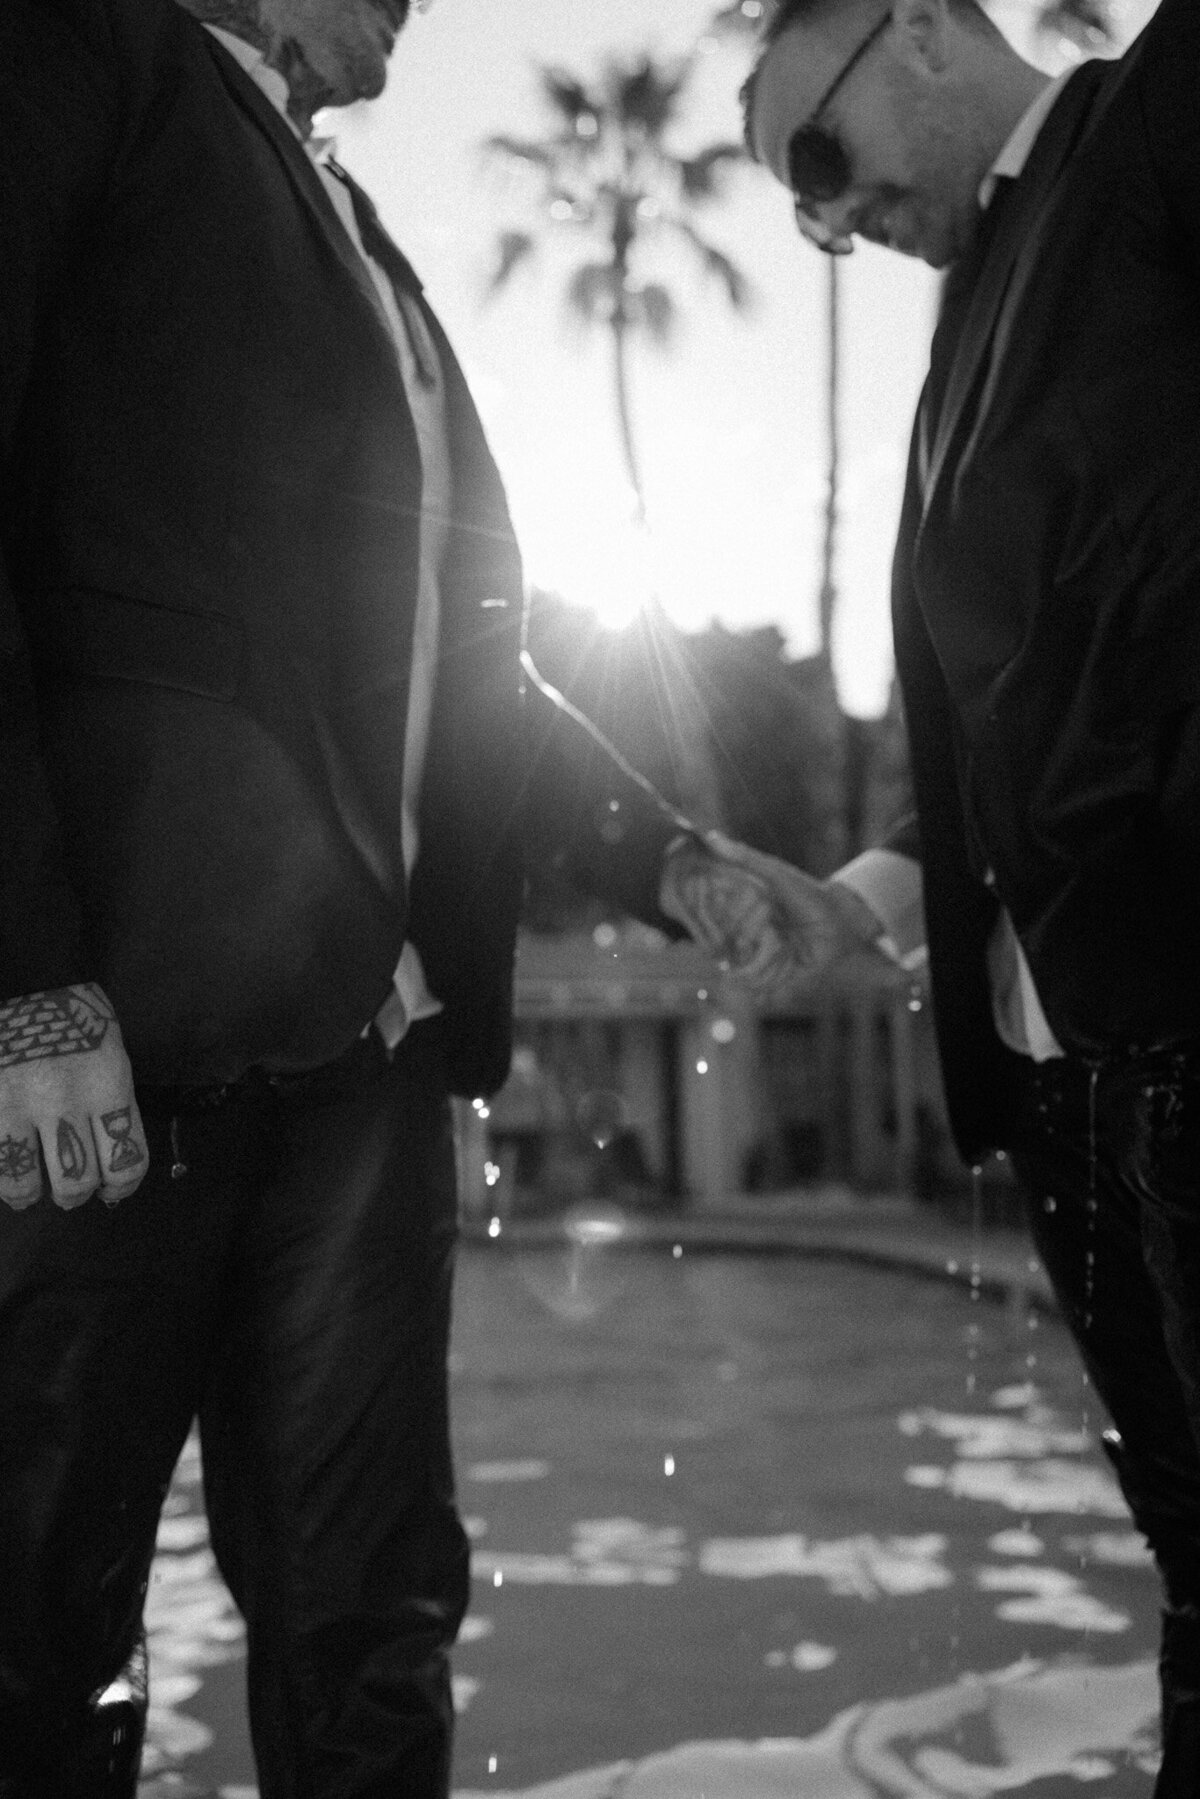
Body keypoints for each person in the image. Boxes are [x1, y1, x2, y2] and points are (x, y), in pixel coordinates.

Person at [0, 1, 785, 1792]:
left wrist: (665, 851)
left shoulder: (364, 238)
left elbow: (462, 651)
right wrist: (26, 981)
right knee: (35, 1638)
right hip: (102, 1056)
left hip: (369, 1058)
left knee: (374, 1624)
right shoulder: (78, 57)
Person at [737, 0, 1200, 1788]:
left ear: (922, 29)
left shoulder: (1151, 134)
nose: (831, 220)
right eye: (799, 205)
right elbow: (1012, 704)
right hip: (1074, 1079)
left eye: (821, 160)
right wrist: (864, 900)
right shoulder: (966, 320)